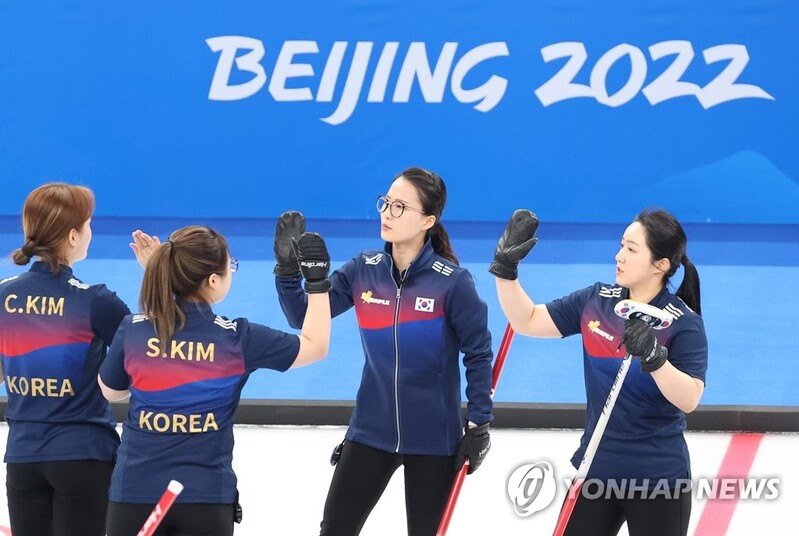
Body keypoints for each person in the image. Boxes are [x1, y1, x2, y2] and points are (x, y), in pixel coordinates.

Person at [274, 167, 494, 536]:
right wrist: (287, 273)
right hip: (369, 433)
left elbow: (478, 353)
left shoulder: (453, 283)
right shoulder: (363, 270)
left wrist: (479, 422)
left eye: (400, 207)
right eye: (386, 203)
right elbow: (303, 317)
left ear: (428, 220)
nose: (387, 213)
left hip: (434, 440)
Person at [98, 224, 332, 536]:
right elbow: (315, 346)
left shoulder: (134, 329)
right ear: (212, 280)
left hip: (135, 493)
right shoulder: (239, 339)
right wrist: (316, 283)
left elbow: (112, 392)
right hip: (206, 498)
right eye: (229, 265)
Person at [491, 208, 707, 536]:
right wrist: (506, 270)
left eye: (632, 250)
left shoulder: (683, 323)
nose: (619, 256)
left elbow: (689, 398)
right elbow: (527, 320)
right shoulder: (596, 301)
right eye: (621, 245)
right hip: (596, 471)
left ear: (661, 264)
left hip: (658, 481)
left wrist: (655, 358)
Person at [0, 183, 155, 536]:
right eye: (88, 224)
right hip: (83, 457)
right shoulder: (95, 301)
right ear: (73, 236)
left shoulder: (3, 294)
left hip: (23, 459)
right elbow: (154, 351)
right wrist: (156, 271)